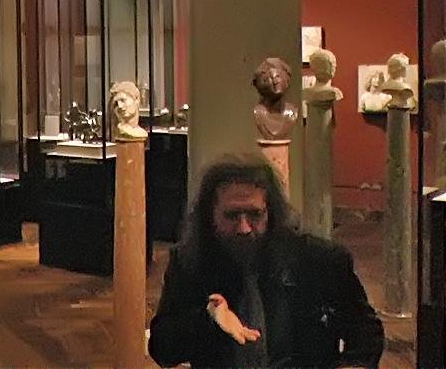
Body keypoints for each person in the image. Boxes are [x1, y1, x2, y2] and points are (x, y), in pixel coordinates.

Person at [148, 154, 384, 368]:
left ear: (271, 213)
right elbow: (163, 350)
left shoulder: (320, 260)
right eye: (232, 216)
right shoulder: (191, 263)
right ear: (210, 216)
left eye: (254, 214)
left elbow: (366, 334)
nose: (244, 228)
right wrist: (208, 319)